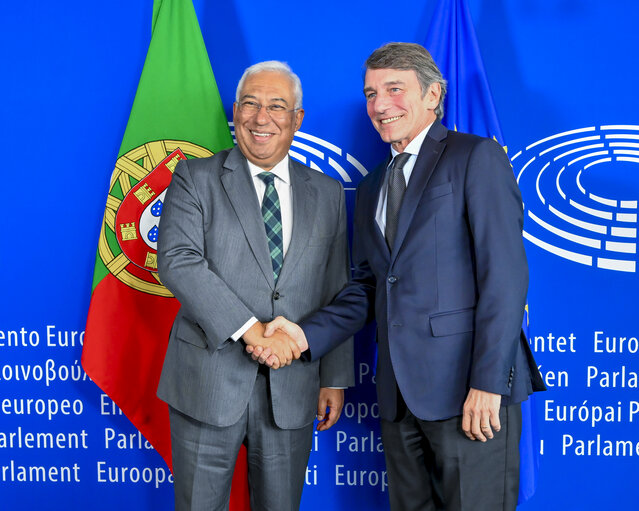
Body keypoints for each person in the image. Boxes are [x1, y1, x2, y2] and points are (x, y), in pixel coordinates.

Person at [252, 43, 546, 510]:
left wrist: (488, 384)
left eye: (394, 89)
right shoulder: (371, 187)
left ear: (433, 96)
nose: (380, 105)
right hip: (400, 402)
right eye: (371, 93)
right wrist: (304, 334)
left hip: (469, 394)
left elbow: (505, 278)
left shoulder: (476, 157)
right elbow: (369, 287)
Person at [156, 60, 354, 511]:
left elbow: (335, 286)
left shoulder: (326, 193)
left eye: (276, 106)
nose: (261, 118)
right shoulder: (194, 178)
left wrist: (335, 377)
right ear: (236, 111)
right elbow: (178, 261)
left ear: (297, 119)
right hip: (208, 382)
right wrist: (252, 330)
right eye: (250, 104)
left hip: (294, 384)